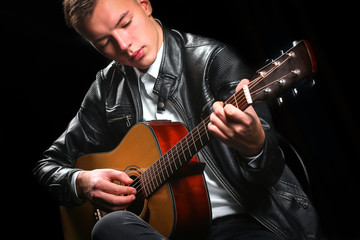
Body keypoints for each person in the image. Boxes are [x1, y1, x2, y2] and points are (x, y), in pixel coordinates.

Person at [33, 0, 322, 239]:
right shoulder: (107, 90)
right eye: (104, 42)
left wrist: (255, 146)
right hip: (163, 233)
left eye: (125, 23)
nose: (123, 45)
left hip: (246, 221)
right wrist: (82, 181)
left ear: (144, 5)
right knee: (108, 227)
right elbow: (47, 167)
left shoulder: (213, 61)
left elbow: (270, 174)